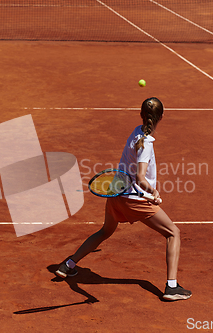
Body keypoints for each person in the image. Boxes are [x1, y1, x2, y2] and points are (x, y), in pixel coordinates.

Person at [55, 97, 191, 301]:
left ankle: (69, 265)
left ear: (141, 115)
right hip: (135, 200)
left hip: (116, 195)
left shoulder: (135, 132)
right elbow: (140, 177)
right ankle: (171, 287)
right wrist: (152, 193)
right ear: (161, 117)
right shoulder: (146, 145)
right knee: (173, 233)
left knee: (105, 231)